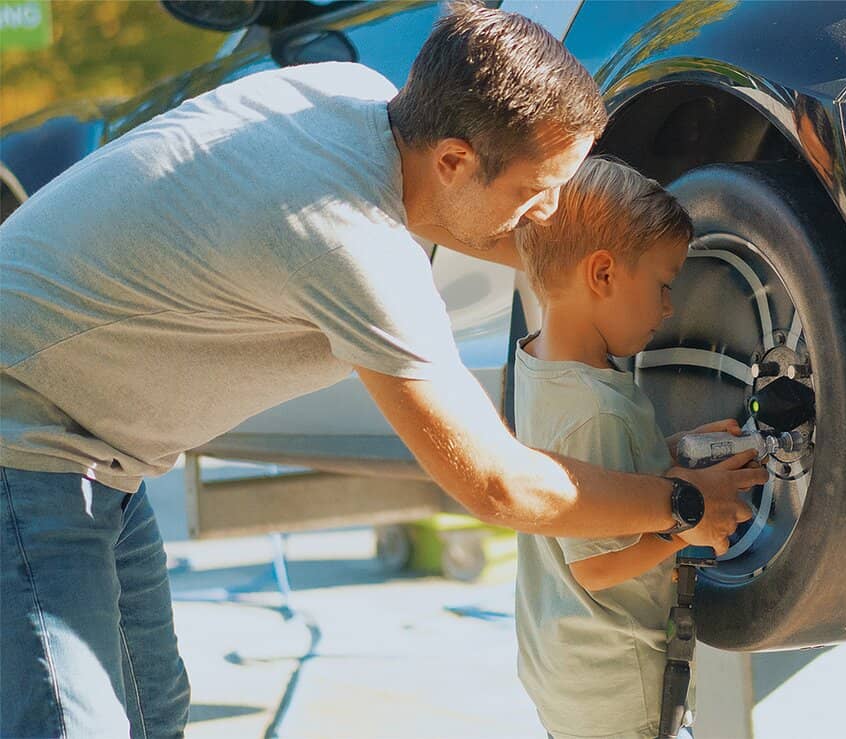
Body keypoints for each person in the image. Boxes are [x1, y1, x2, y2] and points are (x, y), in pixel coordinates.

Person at [0, 3, 762, 737]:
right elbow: (496, 483)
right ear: (456, 160)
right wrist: (681, 501)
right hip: (24, 437)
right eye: (538, 190)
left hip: (96, 445)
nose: (549, 213)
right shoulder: (349, 239)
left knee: (152, 712)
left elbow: (518, 236)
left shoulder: (364, 102)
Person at [513, 157, 751, 739]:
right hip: (618, 685)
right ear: (603, 275)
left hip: (568, 670)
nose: (669, 308)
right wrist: (684, 527)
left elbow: (588, 481)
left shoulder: (541, 367)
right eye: (664, 286)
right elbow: (595, 565)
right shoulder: (594, 409)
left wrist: (661, 454)